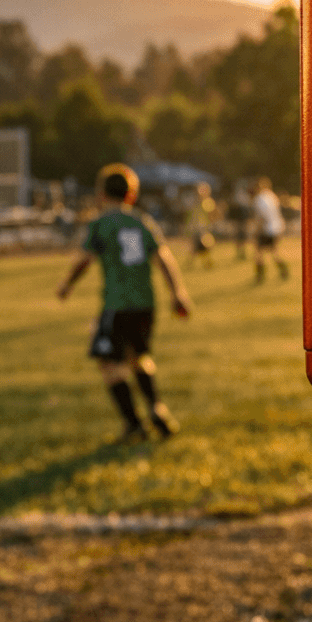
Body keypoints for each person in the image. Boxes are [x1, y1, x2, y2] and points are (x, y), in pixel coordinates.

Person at [55, 163, 194, 442]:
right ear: (131, 194)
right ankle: (156, 409)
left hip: (116, 304)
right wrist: (177, 292)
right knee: (139, 357)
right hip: (145, 303)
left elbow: (84, 260)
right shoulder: (142, 221)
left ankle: (133, 424)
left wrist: (67, 284)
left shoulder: (100, 224)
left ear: (101, 194)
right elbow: (163, 257)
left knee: (109, 363)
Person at [251, 176, 288, 283]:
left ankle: (260, 276)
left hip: (266, 229)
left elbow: (262, 217)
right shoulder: (272, 196)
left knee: (259, 253)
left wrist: (257, 231)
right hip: (277, 227)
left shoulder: (259, 199)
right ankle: (284, 271)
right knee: (274, 251)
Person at [185, 182, 218, 269]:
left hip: (205, 228)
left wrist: (212, 225)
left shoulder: (208, 202)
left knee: (205, 245)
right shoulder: (194, 203)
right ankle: (195, 263)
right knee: (196, 246)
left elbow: (212, 215)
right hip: (195, 228)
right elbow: (191, 216)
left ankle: (205, 262)